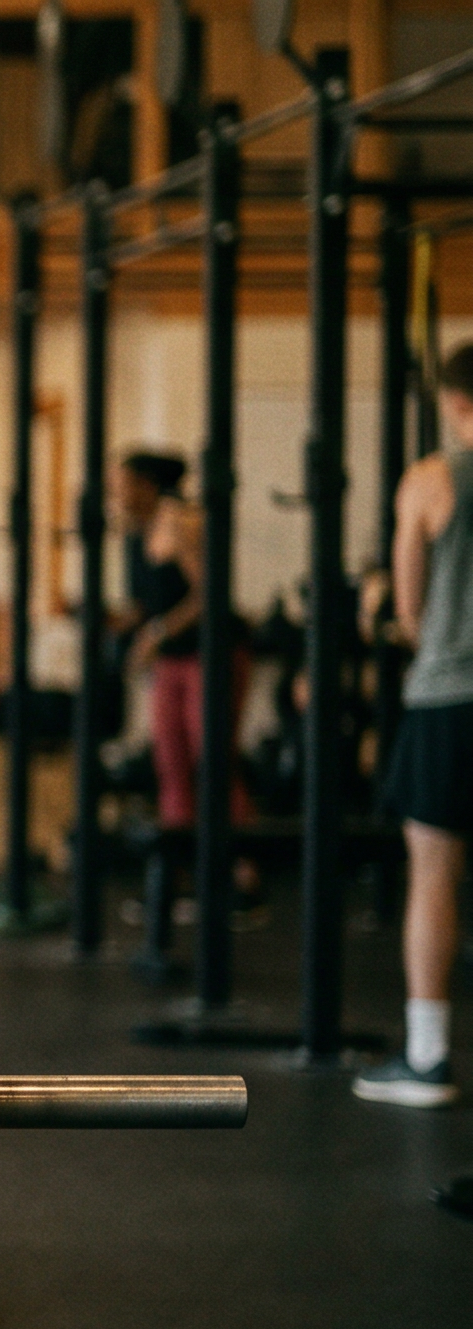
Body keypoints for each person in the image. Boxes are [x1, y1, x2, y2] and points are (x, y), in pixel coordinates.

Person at [357, 342, 473, 1109]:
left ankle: (429, 1059)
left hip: (450, 696)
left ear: (454, 400)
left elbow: (408, 610)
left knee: (434, 870)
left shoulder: (432, 480)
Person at [115, 450, 260, 914]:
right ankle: (179, 876)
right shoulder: (135, 532)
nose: (116, 492)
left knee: (212, 760)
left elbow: (209, 594)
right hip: (173, 661)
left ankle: (244, 877)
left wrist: (155, 633)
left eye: (122, 483)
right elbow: (147, 603)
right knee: (171, 762)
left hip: (212, 653)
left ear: (147, 484)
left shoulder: (183, 522)